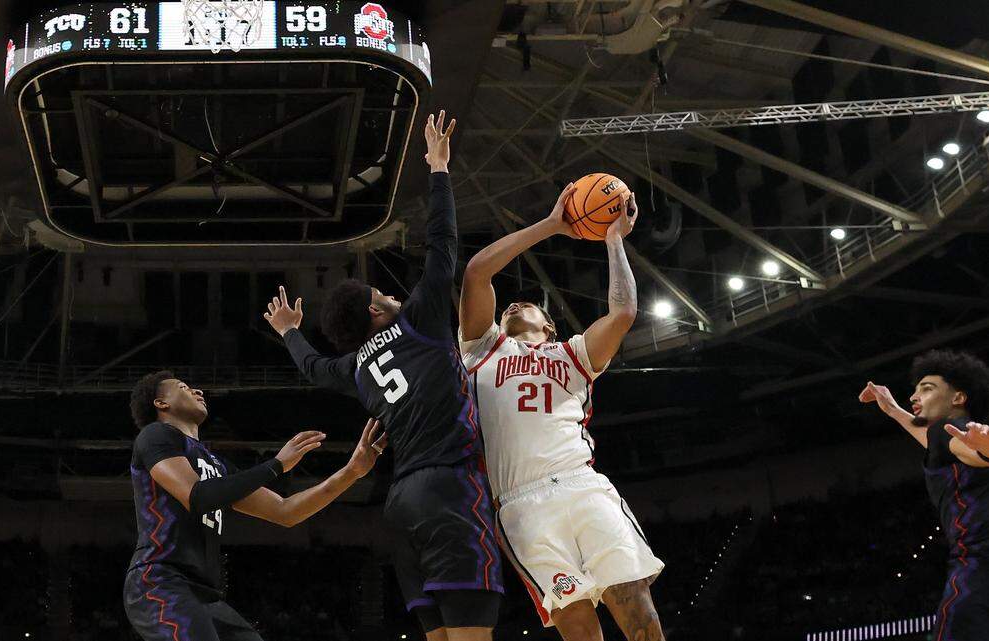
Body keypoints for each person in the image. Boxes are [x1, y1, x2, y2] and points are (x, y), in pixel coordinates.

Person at [263, 111, 504, 641]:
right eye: (386, 296)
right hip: (449, 489)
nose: (395, 296)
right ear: (376, 311)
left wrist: (288, 333)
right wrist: (438, 169)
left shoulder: (355, 368)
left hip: (401, 505)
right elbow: (443, 247)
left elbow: (311, 368)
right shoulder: (416, 324)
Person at [458, 183, 665, 641]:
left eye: (527, 303)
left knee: (637, 609)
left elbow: (624, 312)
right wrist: (554, 225)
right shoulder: (480, 349)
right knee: (578, 628)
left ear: (548, 325)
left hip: (581, 484)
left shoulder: (574, 354)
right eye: (511, 303)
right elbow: (476, 273)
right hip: (520, 502)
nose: (514, 303)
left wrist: (613, 240)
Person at [123, 370, 386, 641]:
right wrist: (276, 465)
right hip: (159, 581)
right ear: (161, 403)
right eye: (183, 387)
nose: (198, 391)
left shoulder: (217, 465)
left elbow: (287, 511)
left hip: (205, 595)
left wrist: (352, 472)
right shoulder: (155, 435)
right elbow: (197, 496)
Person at [859, 349, 989, 641]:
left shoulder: (954, 434)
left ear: (958, 398)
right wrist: (892, 408)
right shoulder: (943, 440)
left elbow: (975, 451)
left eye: (927, 388)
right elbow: (934, 441)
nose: (914, 397)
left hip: (979, 570)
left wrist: (986, 447)